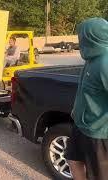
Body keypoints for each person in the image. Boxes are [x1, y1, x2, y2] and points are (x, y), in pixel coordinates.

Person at [65, 18, 108, 180]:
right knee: (73, 159)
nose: (79, 40)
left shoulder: (105, 62)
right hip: (81, 126)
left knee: (99, 176)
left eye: (81, 36)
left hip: (98, 134)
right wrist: (77, 110)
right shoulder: (91, 58)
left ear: (91, 36)